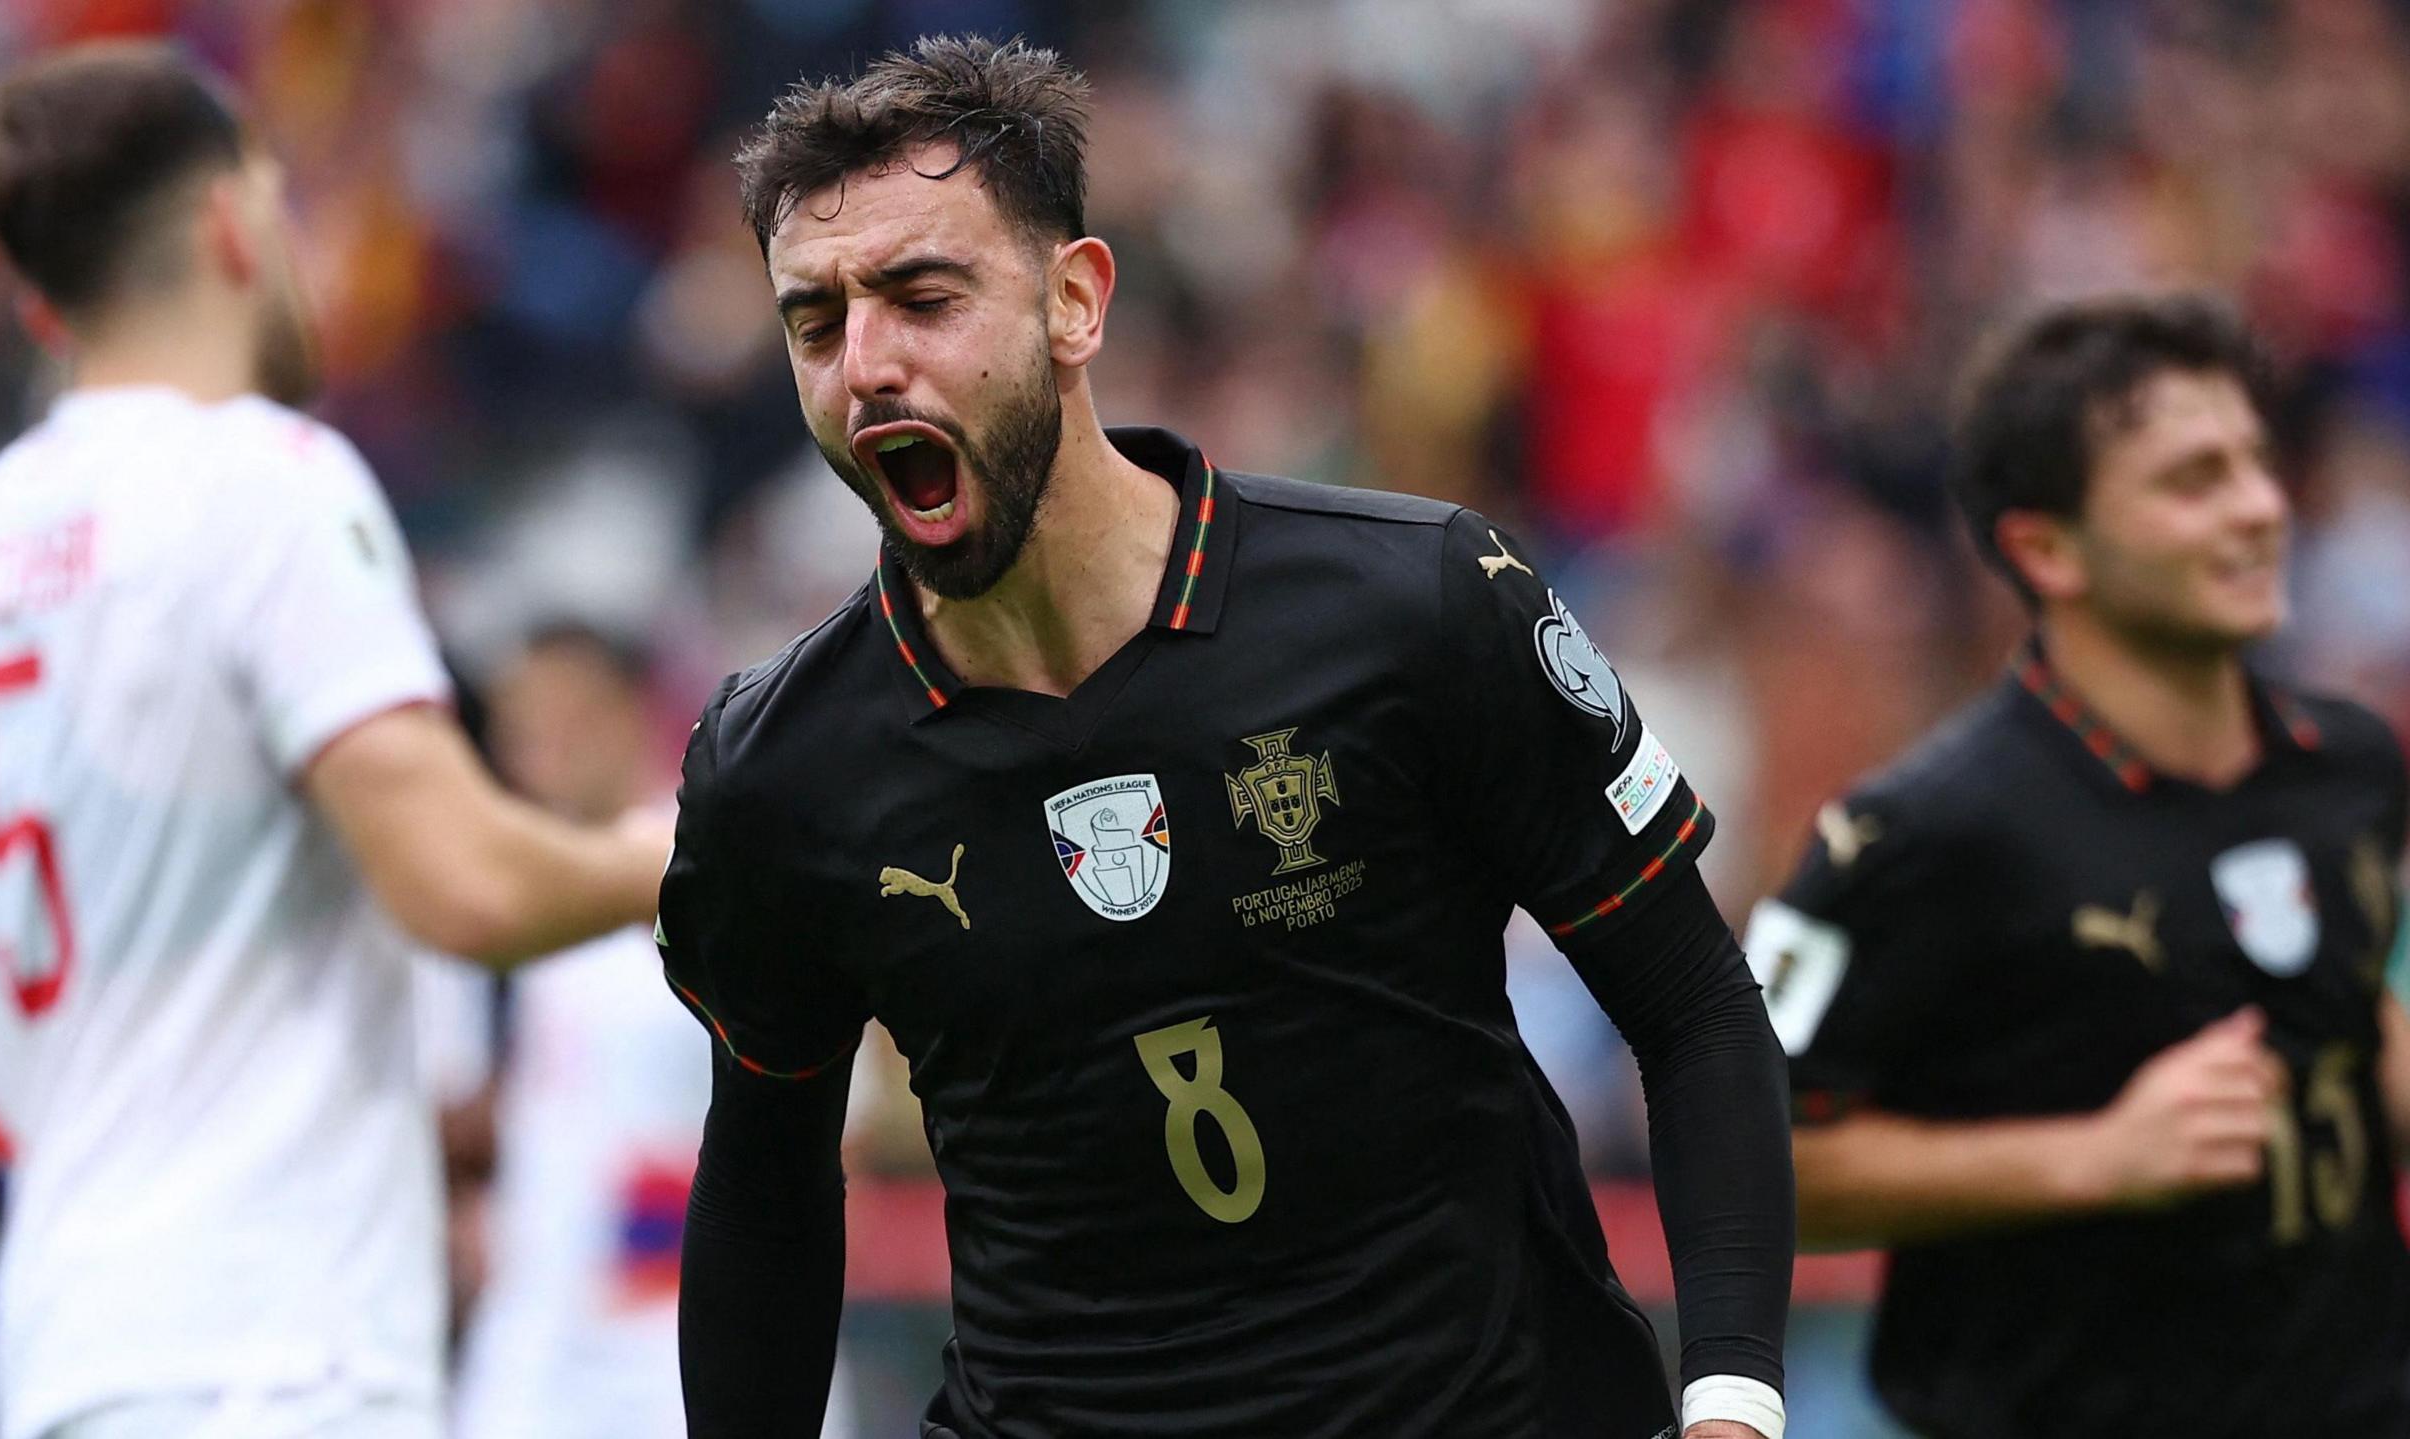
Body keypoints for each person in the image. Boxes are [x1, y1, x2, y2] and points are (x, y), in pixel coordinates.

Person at [659, 36, 1793, 1439]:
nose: (866, 365)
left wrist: (1733, 1400)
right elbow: (766, 1176)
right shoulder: (779, 767)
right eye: (816, 321)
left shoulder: (1414, 603)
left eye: (922, 296)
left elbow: (1692, 999)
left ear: (1075, 302)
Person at [0, 42, 670, 1439]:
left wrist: (79, 973)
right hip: (283, 1361)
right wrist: (692, 845)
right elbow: (463, 885)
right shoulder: (267, 485)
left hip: (66, 1363)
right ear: (236, 221)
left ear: (44, 300)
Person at [1748, 294, 2410, 1438]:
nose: (2259, 509)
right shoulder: (1921, 833)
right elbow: (1736, 1157)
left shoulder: (2347, 763)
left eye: (2257, 462)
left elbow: (2335, 1017)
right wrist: (2092, 1158)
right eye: (2192, 480)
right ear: (2044, 547)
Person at [450, 622, 855, 1439]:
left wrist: (646, 1223)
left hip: (680, 1336)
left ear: (633, 713)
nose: (545, 751)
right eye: (526, 728)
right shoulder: (492, 908)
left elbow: (840, 1107)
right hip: (534, 1339)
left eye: (571, 720)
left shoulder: (711, 876)